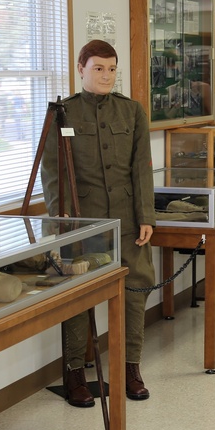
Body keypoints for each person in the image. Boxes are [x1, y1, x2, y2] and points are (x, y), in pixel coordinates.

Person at [41, 39, 156, 406]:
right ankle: (75, 372)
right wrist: (64, 222)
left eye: (111, 69)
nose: (106, 75)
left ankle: (130, 368)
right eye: (98, 69)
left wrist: (146, 217)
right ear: (80, 68)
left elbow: (141, 169)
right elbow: (52, 173)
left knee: (136, 293)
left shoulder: (131, 112)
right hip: (83, 226)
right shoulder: (64, 115)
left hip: (126, 224)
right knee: (78, 300)